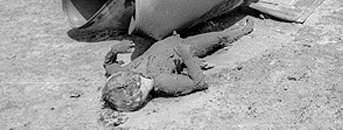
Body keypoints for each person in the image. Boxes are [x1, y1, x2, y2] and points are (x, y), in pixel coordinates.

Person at [102, 18, 254, 112]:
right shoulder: (162, 82)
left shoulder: (129, 72)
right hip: (184, 46)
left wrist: (114, 51)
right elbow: (199, 83)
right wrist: (186, 56)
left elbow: (108, 64)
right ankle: (242, 31)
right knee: (220, 37)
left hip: (167, 39)